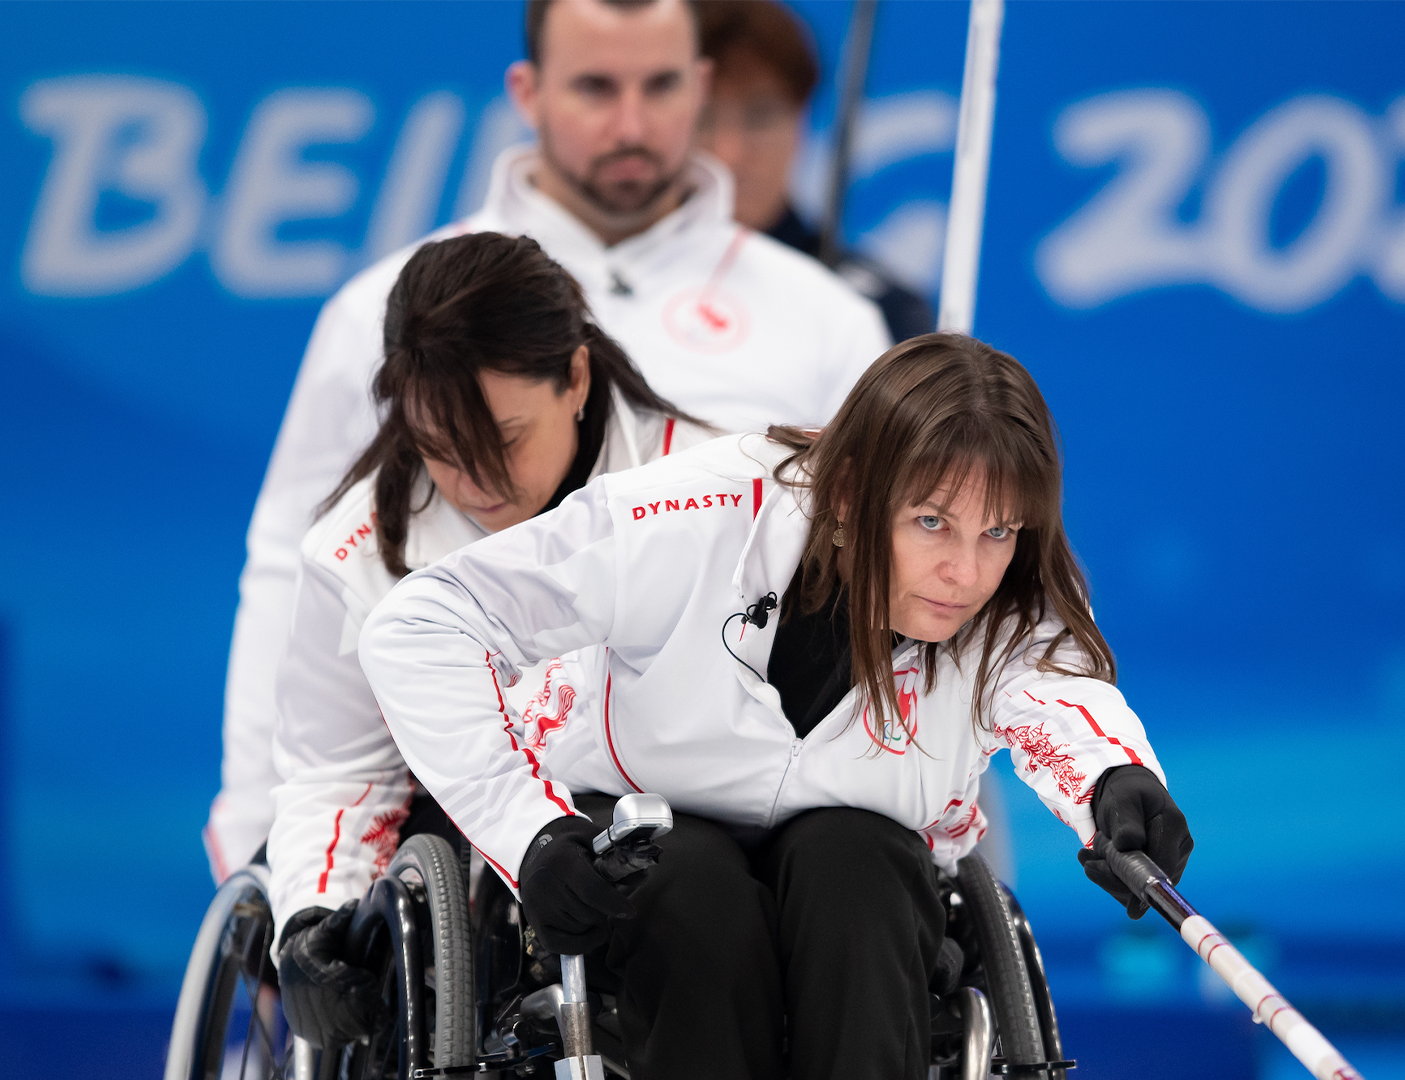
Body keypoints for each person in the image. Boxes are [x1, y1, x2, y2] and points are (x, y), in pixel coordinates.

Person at [351, 334, 1193, 1078]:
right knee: (689, 885)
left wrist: (1114, 780)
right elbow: (421, 623)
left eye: (997, 533)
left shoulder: (1012, 596)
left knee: (856, 864)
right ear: (854, 491)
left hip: (860, 865)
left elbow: (1057, 692)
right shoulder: (690, 519)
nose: (966, 573)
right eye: (931, 521)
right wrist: (524, 830)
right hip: (648, 832)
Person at [205, 0, 893, 881]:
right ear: (528, 93)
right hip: (462, 779)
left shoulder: (824, 319)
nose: (632, 124)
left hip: (724, 771)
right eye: (596, 88)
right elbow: (294, 569)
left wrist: (959, 845)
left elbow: (898, 565)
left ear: (702, 87)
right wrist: (264, 837)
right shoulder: (389, 313)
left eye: (662, 85)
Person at [267, 231, 715, 1043]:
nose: (478, 484)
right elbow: (340, 775)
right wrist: (311, 921)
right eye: (440, 451)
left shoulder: (709, 488)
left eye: (506, 440)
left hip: (686, 824)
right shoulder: (358, 550)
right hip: (478, 843)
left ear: (575, 378)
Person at [696, 0, 935, 342]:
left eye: (760, 117)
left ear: (802, 118)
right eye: (704, 120)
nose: (730, 151)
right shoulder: (613, 281)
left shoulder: (878, 311)